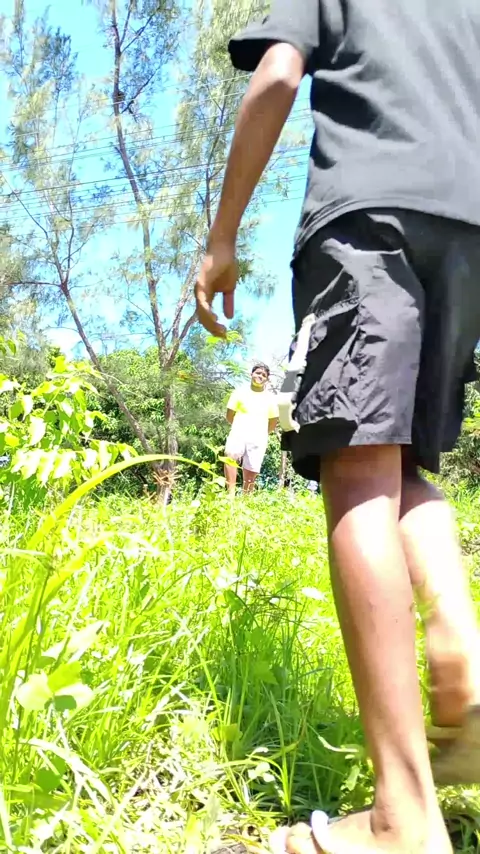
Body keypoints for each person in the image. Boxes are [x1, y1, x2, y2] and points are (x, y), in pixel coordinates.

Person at [194, 1, 480, 852]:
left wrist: (221, 239)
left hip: (368, 221)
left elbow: (278, 74)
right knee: (403, 465)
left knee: (356, 470)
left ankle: (402, 816)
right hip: (467, 230)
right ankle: (462, 657)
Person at [224, 362, 278, 495]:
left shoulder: (270, 398)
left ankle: (246, 499)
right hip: (238, 432)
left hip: (258, 436)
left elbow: (273, 421)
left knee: (251, 468)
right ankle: (230, 496)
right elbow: (229, 415)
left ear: (267, 379)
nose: (260, 376)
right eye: (258, 373)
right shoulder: (239, 392)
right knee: (230, 456)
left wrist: (262, 433)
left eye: (264, 375)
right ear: (251, 374)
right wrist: (239, 426)